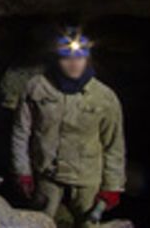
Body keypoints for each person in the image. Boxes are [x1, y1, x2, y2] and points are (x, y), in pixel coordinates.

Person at [11, 27, 126, 227]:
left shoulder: (104, 97)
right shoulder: (37, 87)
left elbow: (113, 145)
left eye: (79, 58)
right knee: (40, 223)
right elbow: (21, 133)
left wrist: (112, 186)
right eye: (67, 58)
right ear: (57, 59)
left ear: (87, 59)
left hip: (86, 180)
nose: (74, 64)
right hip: (47, 175)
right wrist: (22, 171)